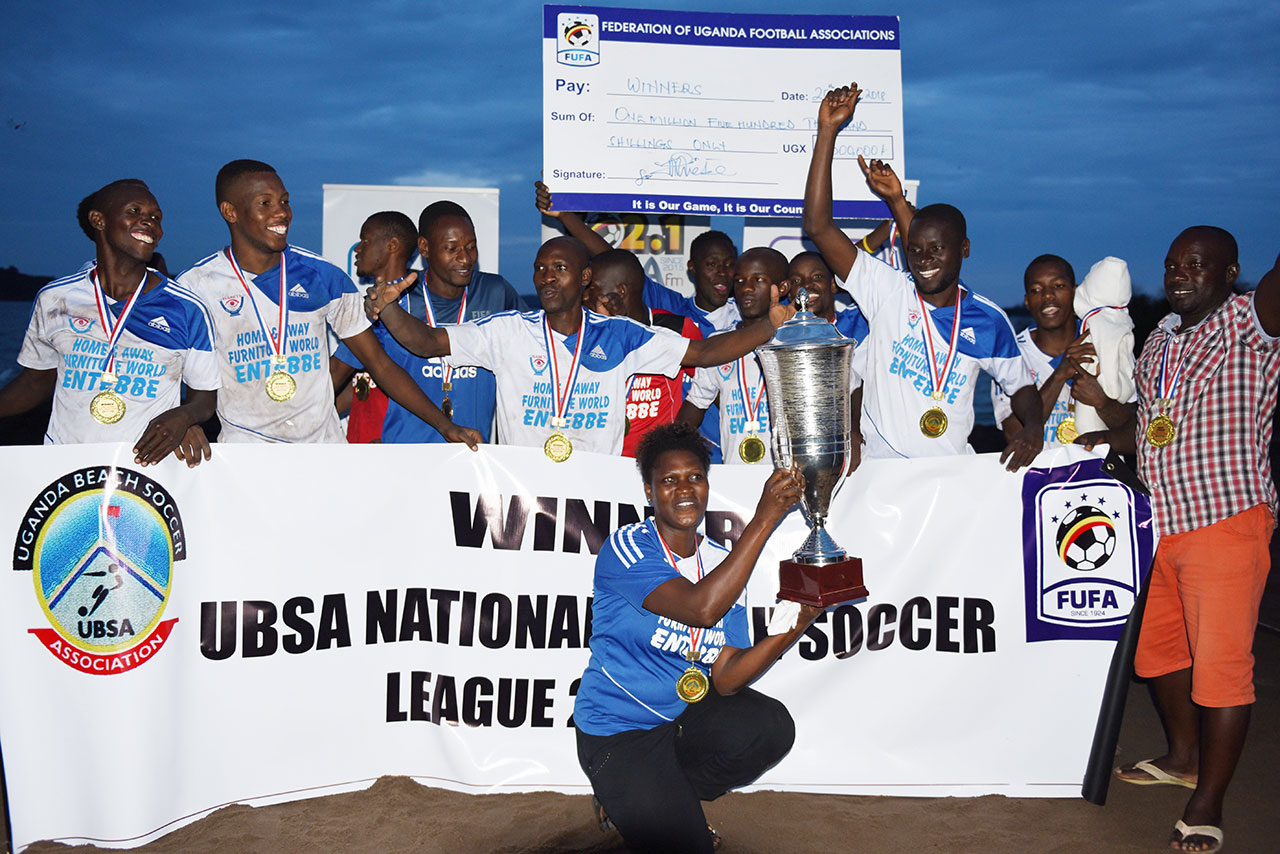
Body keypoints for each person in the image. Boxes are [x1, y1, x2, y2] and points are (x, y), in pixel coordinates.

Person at [1083, 229, 1280, 854]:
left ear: (1230, 273)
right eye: (1172, 264)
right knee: (1158, 655)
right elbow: (1152, 429)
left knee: (1221, 673)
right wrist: (1101, 435)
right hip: (1159, 526)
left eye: (1197, 265)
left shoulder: (1251, 324)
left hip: (1225, 523)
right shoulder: (1161, 339)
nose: (1179, 274)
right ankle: (1183, 757)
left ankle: (1209, 800)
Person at [573, 422, 823, 853]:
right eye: (668, 480)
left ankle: (667, 797)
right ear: (649, 493)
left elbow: (726, 677)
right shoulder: (627, 548)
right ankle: (623, 793)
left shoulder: (722, 563)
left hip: (681, 724)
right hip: (619, 734)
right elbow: (700, 608)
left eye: (695, 477)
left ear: (707, 485)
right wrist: (765, 517)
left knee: (769, 726)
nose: (684, 489)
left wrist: (794, 626)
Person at [365, 236, 791, 457]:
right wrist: (388, 309)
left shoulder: (620, 334)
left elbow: (704, 354)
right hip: (524, 496)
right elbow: (424, 342)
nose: (547, 278)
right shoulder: (507, 331)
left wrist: (769, 326)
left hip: (594, 496)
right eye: (540, 269)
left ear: (585, 279)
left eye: (561, 268)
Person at [802, 83, 1043, 470]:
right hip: (879, 475)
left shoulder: (989, 320)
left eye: (937, 249)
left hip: (946, 480)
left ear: (964, 249)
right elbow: (818, 226)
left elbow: (1023, 388)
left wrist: (1034, 426)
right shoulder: (886, 290)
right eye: (915, 250)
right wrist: (827, 131)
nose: (924, 259)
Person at [177, 160, 478, 447]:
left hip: (321, 454)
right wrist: (187, 423)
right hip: (245, 457)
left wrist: (445, 426)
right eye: (265, 203)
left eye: (284, 201)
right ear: (230, 211)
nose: (282, 213)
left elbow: (381, 365)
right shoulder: (195, 287)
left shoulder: (324, 276)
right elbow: (173, 374)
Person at [0, 179, 217, 466]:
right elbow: (35, 381)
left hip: (147, 467)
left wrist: (184, 416)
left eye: (156, 217)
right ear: (98, 220)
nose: (148, 222)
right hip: (65, 465)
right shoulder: (56, 298)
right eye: (134, 211)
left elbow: (204, 399)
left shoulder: (188, 308)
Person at [536, 181, 736, 459]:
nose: (721, 273)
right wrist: (566, 216)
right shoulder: (672, 308)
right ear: (692, 268)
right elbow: (615, 263)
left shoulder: (733, 320)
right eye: (712, 265)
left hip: (722, 453)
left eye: (729, 264)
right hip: (641, 458)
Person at [331, 204, 524, 443]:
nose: (465, 258)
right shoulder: (394, 298)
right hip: (406, 455)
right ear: (424, 248)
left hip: (472, 450)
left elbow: (541, 343)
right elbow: (337, 373)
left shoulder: (496, 293)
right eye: (451, 248)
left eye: (471, 247)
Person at [992, 255, 1131, 446]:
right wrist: (1059, 375)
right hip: (1040, 475)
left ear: (1075, 293)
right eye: (1036, 290)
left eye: (1058, 286)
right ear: (1027, 301)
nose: (1047, 295)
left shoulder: (1105, 341)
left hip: (1098, 474)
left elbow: (1135, 428)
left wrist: (1104, 403)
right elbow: (1014, 434)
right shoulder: (1010, 354)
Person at [583, 248, 702, 457]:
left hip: (654, 463)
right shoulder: (588, 332)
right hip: (600, 459)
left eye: (592, 287)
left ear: (620, 292)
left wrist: (679, 437)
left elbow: (710, 385)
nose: (584, 295)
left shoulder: (677, 328)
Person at [676, 248, 790, 466]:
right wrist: (667, 448)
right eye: (739, 280)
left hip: (789, 479)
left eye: (758, 279)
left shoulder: (800, 343)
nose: (746, 288)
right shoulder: (721, 344)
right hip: (734, 481)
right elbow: (693, 409)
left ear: (782, 288)